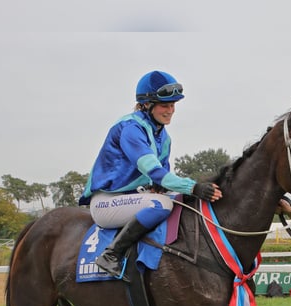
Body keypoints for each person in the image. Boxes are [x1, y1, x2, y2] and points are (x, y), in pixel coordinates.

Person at [79, 70, 223, 276]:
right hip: (106, 202)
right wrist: (194, 186)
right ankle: (111, 254)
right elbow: (156, 173)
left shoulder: (164, 138)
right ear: (147, 105)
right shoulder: (130, 129)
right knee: (162, 204)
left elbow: (161, 182)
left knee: (180, 200)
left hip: (134, 198)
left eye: (173, 105)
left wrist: (179, 190)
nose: (171, 110)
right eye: (165, 105)